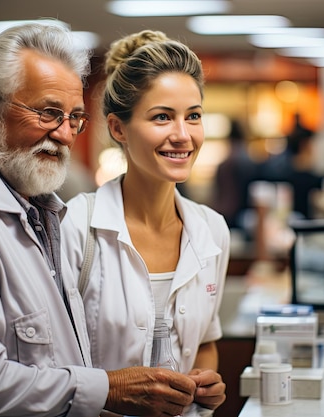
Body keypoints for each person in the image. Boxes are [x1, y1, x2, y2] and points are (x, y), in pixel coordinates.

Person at [0, 22, 198, 417]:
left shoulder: (40, 211)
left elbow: (49, 366)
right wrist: (108, 388)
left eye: (75, 118)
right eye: (48, 113)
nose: (65, 134)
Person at [61, 30, 229, 416]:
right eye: (162, 118)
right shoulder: (76, 227)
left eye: (194, 116)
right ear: (118, 129)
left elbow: (205, 340)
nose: (183, 135)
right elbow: (49, 361)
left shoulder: (213, 230)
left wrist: (207, 381)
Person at [212, 119, 258, 233]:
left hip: (225, 211)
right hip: (241, 214)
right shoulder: (248, 162)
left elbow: (218, 192)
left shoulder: (223, 164)